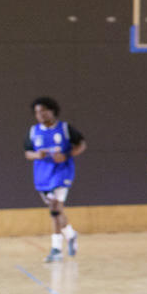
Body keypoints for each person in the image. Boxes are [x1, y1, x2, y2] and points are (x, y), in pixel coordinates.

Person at [26, 97, 84, 263]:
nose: (40, 114)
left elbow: (81, 144)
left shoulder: (64, 128)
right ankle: (70, 234)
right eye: (37, 112)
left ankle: (56, 249)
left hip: (62, 172)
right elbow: (28, 152)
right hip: (43, 174)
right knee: (56, 210)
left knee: (54, 207)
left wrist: (66, 155)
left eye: (44, 110)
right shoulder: (33, 131)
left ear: (52, 111)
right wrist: (37, 155)